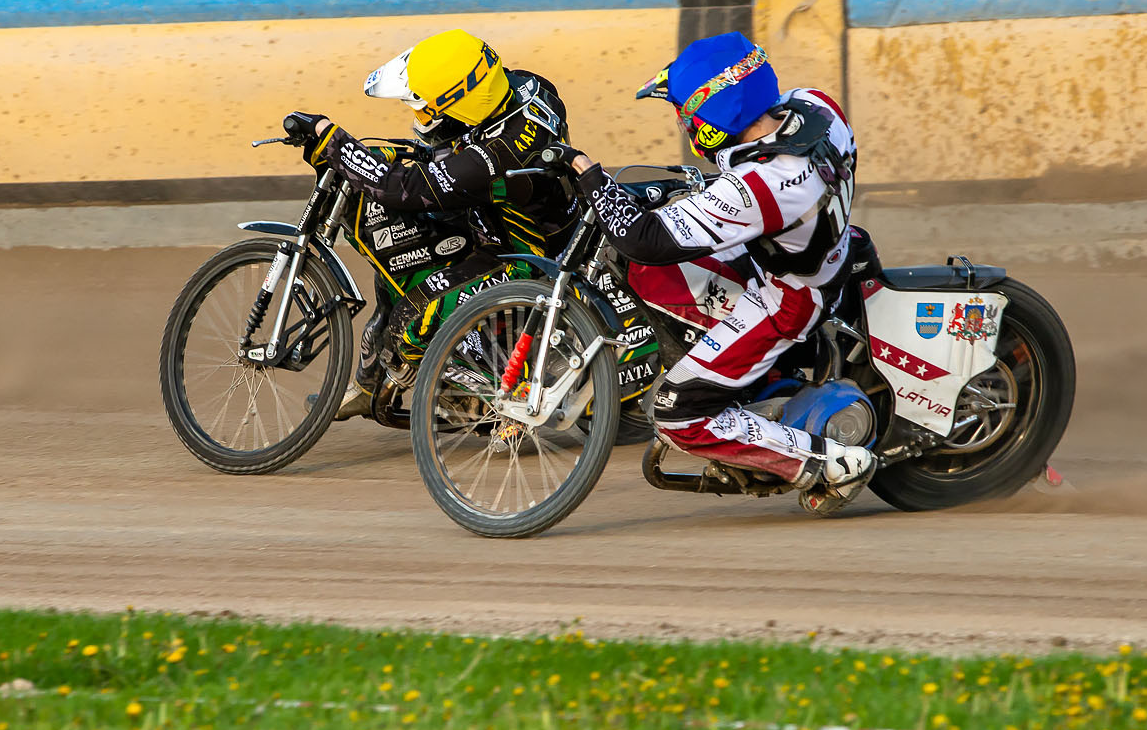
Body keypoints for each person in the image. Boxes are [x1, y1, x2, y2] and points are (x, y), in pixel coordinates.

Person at [569, 32, 877, 508]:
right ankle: (756, 387)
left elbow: (644, 239)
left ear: (711, 117)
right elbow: (743, 180)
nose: (683, 123)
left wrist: (590, 175)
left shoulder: (760, 185)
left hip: (787, 298)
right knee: (659, 267)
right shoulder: (816, 106)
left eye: (685, 112)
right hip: (814, 249)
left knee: (676, 414)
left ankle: (823, 463)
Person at [292, 29, 656, 420]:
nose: (420, 119)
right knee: (398, 264)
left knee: (412, 318)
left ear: (459, 105)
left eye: (425, 110)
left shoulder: (496, 153)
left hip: (520, 256)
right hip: (511, 218)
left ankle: (477, 394)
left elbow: (406, 188)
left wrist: (330, 137)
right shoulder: (527, 87)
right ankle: (370, 384)